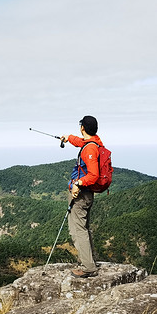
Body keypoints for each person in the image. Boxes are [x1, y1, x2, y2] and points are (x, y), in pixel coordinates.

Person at [60, 115, 103, 278]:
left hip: (82, 194)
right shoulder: (93, 142)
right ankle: (90, 261)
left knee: (78, 230)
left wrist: (77, 184)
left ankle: (88, 267)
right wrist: (68, 138)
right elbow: (81, 142)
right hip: (86, 194)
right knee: (83, 228)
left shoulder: (90, 148)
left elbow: (93, 175)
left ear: (82, 128)